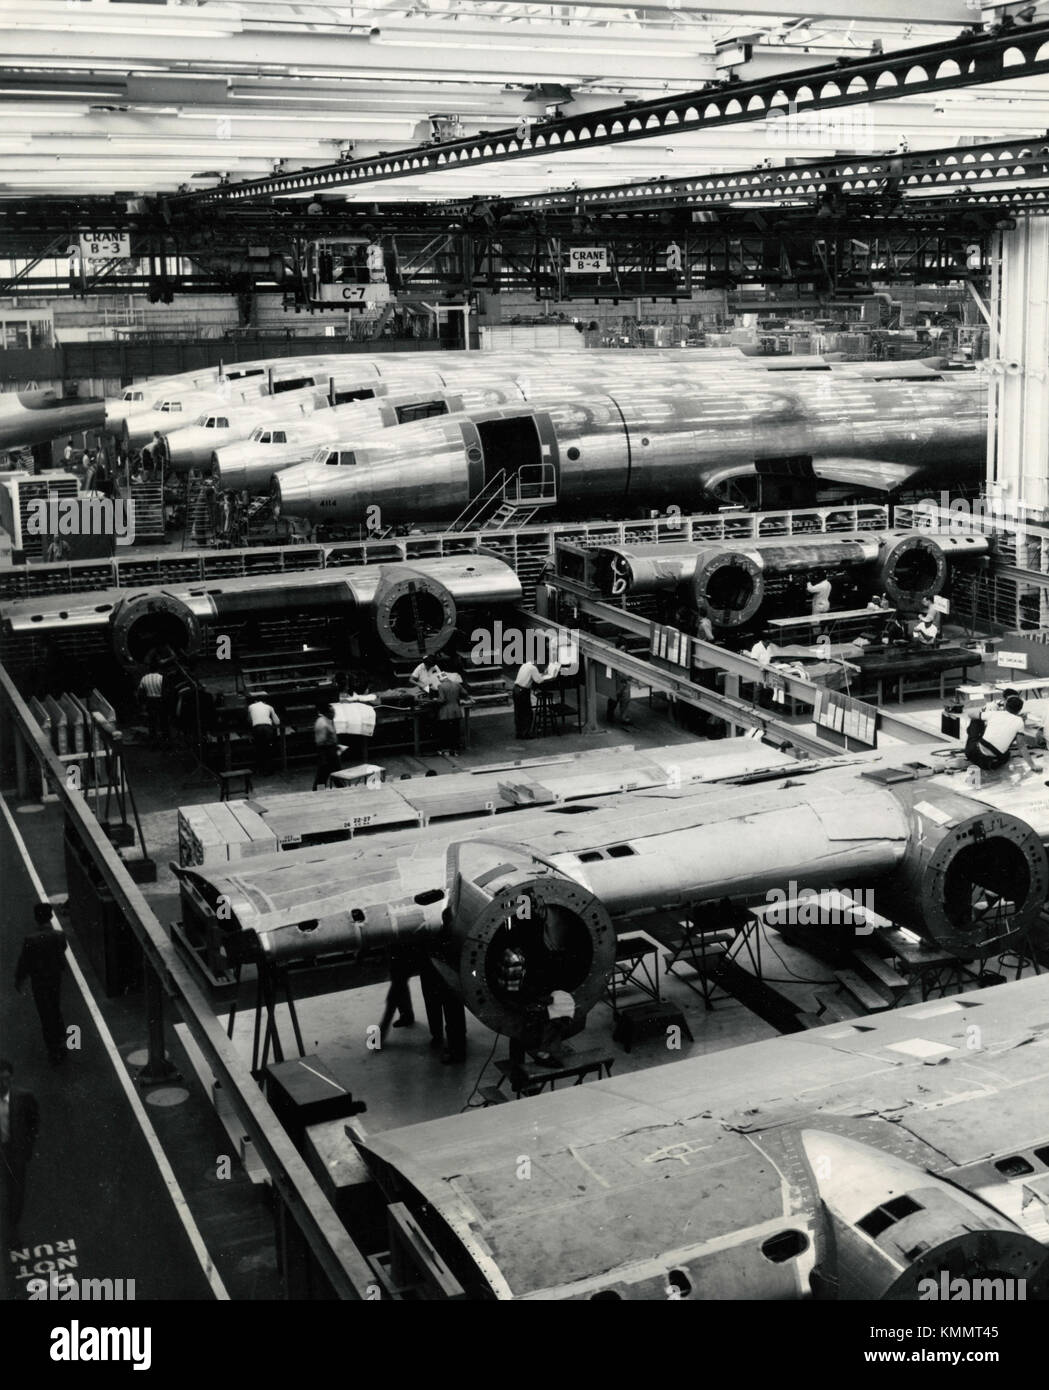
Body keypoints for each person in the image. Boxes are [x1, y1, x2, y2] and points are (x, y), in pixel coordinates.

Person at [14, 904, 69, 1067]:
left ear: (36, 918)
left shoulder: (30, 940)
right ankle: (63, 1042)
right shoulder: (59, 936)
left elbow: (24, 962)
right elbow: (62, 950)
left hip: (39, 981)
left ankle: (53, 1049)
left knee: (45, 1014)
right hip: (55, 978)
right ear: (51, 917)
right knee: (55, 1007)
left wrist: (19, 979)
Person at [0, 1060, 39, 1249]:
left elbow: (33, 1122)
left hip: (14, 1152)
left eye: (7, 1079)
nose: (3, 1084)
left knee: (16, 1194)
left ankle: (12, 1231)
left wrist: (27, 1148)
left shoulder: (23, 1097)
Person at [419, 935, 467, 1064]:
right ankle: (445, 1036)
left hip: (438, 954)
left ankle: (455, 1048)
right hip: (441, 954)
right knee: (449, 1002)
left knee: (447, 1002)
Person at [965, 694, 1037, 774]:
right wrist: (1032, 765)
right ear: (1019, 710)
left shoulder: (995, 713)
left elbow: (970, 715)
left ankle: (975, 742)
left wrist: (984, 712)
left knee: (976, 720)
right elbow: (1021, 746)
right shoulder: (1020, 721)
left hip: (973, 754)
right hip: (991, 764)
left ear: (1005, 706)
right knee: (1014, 734)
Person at [513, 657, 548, 740]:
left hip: (516, 689)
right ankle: (525, 734)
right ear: (535, 661)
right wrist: (545, 675)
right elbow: (539, 681)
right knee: (527, 713)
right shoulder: (533, 668)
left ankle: (519, 733)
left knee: (518, 713)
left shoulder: (524, 665)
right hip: (523, 691)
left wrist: (540, 675)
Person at [247, 698, 280, 775]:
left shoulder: (250, 706)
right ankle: (270, 770)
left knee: (259, 748)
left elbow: (249, 720)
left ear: (255, 701)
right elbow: (277, 722)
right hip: (267, 728)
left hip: (257, 728)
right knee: (269, 748)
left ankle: (261, 770)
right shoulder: (269, 707)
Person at [435, 669, 465, 753]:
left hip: (446, 712)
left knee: (446, 731)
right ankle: (455, 749)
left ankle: (445, 748)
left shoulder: (441, 686)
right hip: (456, 711)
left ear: (440, 679)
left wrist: (435, 700)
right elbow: (465, 693)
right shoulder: (457, 684)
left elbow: (442, 700)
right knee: (455, 731)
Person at [312, 703, 340, 790]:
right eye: (332, 712)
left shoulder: (328, 720)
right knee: (323, 774)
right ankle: (318, 792)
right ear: (327, 713)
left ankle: (342, 787)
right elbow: (320, 741)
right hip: (326, 752)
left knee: (336, 773)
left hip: (331, 750)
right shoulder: (322, 723)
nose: (334, 714)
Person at [137, 663, 166, 745]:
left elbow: (140, 691)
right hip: (160, 700)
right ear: (158, 669)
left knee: (152, 723)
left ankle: (153, 743)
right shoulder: (161, 677)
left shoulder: (144, 678)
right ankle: (165, 742)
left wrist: (142, 703)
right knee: (163, 722)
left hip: (150, 701)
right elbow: (165, 690)